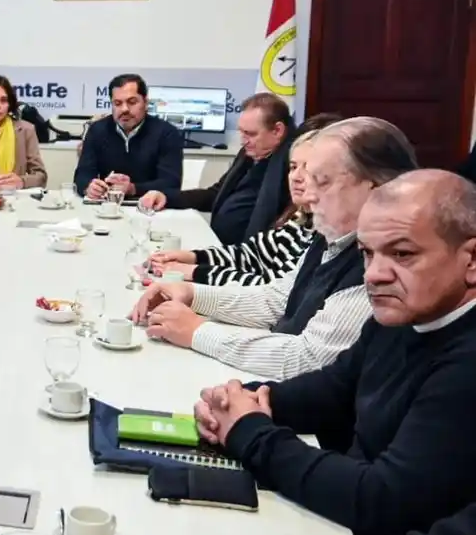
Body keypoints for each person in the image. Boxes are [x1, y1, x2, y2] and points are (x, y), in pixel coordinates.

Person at [192, 170, 476, 535]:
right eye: (367, 253)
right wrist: (241, 399)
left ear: (471, 260)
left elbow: (383, 499)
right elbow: (334, 389)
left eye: (402, 254)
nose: (374, 275)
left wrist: (249, 430)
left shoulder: (466, 363)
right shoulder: (401, 315)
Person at [132, 117, 418, 379]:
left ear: (376, 188)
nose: (308, 192)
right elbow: (278, 299)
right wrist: (193, 294)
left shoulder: (380, 266)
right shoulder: (332, 237)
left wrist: (197, 332)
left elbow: (306, 359)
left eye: (322, 181)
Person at [149, 114, 343, 286]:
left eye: (308, 168)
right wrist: (192, 257)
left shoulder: (329, 233)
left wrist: (194, 272)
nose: (296, 177)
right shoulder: (301, 219)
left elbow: (275, 292)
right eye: (293, 167)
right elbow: (252, 254)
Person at [138, 94, 294, 245]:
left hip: (247, 257)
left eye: (250, 134)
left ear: (277, 130)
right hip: (218, 246)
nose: (243, 141)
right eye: (241, 132)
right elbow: (215, 194)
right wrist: (167, 197)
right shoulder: (248, 154)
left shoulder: (291, 167)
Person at [75, 74, 183, 199]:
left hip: (152, 208)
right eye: (117, 103)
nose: (124, 109)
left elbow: (171, 183)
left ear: (145, 102)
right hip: (107, 206)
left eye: (132, 102)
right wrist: (89, 186)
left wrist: (133, 189)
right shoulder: (97, 130)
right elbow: (82, 175)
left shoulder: (166, 133)